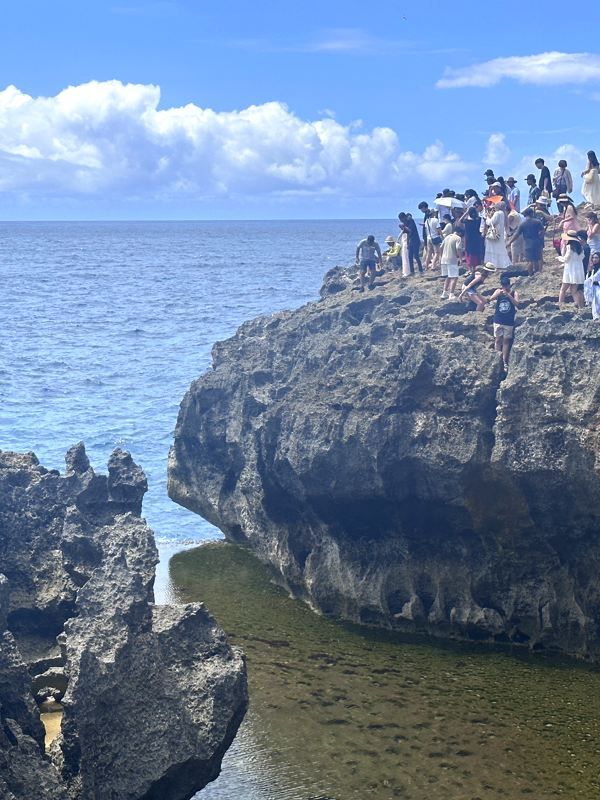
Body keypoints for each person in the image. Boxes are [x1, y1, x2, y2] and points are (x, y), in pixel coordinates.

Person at [486, 274, 520, 371]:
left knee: (506, 341)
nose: (504, 287)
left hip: (508, 321)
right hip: (498, 319)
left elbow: (517, 304)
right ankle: (497, 359)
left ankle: (504, 361)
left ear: (509, 285)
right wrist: (497, 295)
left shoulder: (514, 293)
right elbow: (490, 299)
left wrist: (509, 295)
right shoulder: (498, 291)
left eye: (506, 285)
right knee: (497, 340)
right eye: (503, 285)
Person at [507, 207, 544, 276]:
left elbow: (516, 234)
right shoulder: (537, 222)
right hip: (536, 242)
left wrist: (510, 242)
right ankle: (538, 273)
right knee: (537, 259)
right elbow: (542, 231)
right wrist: (540, 238)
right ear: (532, 214)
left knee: (530, 261)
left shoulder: (523, 224)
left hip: (527, 243)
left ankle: (530, 275)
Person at [558, 231, 585, 308]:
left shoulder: (569, 247)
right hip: (578, 270)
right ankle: (579, 307)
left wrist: (559, 258)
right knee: (574, 291)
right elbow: (581, 257)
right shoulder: (580, 247)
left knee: (563, 289)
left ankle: (560, 305)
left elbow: (566, 258)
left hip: (570, 270)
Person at [483, 202, 511, 270]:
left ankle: (493, 263)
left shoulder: (497, 213)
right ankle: (502, 263)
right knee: (500, 248)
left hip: (494, 235)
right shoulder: (503, 213)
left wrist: (487, 218)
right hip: (499, 234)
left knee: (493, 248)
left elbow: (491, 222)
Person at [440, 224, 463, 300]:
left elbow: (440, 247)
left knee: (448, 277)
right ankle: (451, 294)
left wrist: (441, 256)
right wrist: (460, 258)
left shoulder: (447, 237)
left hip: (443, 259)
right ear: (459, 233)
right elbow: (458, 248)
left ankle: (444, 293)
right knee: (454, 277)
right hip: (452, 259)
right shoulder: (458, 238)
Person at [584, 251, 600, 319]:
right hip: (593, 289)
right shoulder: (593, 269)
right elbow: (588, 280)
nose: (594, 259)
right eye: (593, 258)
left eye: (596, 258)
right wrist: (590, 271)